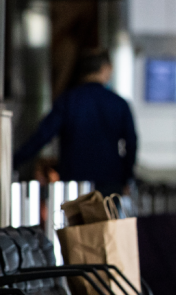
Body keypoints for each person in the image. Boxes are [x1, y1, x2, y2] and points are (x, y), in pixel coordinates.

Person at [14, 49, 138, 196]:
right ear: (105, 69)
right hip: (109, 183)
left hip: (74, 184)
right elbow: (131, 142)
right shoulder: (119, 104)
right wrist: (126, 178)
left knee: (74, 220)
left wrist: (14, 160)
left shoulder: (68, 100)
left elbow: (42, 136)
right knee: (107, 219)